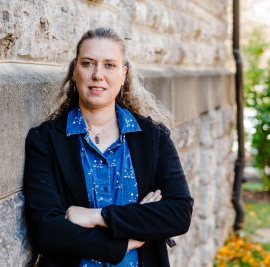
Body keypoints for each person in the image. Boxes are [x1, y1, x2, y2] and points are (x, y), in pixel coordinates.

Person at [23, 28, 194, 267]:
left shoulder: (152, 138)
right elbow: (48, 230)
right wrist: (127, 240)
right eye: (88, 63)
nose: (97, 74)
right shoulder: (46, 140)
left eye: (109, 65)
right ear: (75, 71)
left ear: (123, 74)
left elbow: (178, 214)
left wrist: (97, 216)